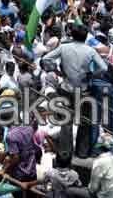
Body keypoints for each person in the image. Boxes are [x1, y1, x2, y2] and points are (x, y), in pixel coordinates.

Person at [41, 22, 107, 159]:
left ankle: (66, 153)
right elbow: (103, 68)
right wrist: (91, 75)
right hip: (83, 91)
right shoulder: (90, 50)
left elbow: (46, 58)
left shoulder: (64, 48)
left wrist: (56, 70)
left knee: (66, 123)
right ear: (85, 37)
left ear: (72, 35)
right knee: (84, 122)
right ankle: (81, 153)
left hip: (66, 90)